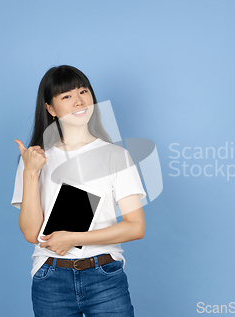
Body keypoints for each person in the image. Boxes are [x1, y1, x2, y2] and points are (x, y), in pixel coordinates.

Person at [11, 65, 146, 317]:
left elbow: (135, 227)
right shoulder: (34, 159)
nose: (78, 101)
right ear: (50, 109)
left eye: (83, 91)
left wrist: (73, 238)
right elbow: (31, 233)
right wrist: (30, 172)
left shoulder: (116, 156)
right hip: (50, 277)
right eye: (66, 96)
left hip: (104, 275)